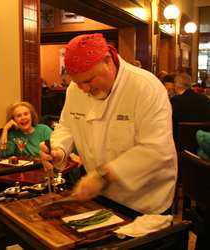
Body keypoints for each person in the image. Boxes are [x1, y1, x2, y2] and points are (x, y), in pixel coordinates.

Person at [40, 33, 177, 214]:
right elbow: (67, 124)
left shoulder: (145, 86)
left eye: (89, 80)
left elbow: (156, 150)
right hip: (100, 197)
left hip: (144, 200)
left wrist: (103, 175)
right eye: (78, 82)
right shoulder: (76, 89)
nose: (85, 89)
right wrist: (59, 150)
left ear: (107, 60)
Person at [171, 73, 210, 139]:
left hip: (181, 141)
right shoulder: (205, 99)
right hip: (203, 141)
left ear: (176, 85)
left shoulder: (175, 101)